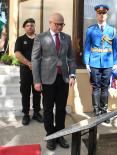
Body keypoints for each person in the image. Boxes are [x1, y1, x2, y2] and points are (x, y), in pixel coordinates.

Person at [31, 13, 76, 150]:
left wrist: (73, 74)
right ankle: (51, 135)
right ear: (50, 23)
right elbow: (36, 59)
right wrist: (37, 81)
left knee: (61, 109)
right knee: (48, 109)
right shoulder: (40, 37)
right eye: (57, 24)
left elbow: (71, 59)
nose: (60, 27)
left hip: (63, 79)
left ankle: (60, 135)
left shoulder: (67, 38)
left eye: (62, 24)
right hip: (47, 79)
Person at [83, 4, 117, 123]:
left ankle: (104, 111)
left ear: (107, 15)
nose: (101, 15)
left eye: (103, 13)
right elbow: (87, 47)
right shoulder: (91, 30)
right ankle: (96, 111)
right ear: (96, 14)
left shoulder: (112, 30)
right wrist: (87, 62)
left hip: (108, 63)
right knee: (95, 87)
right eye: (99, 13)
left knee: (105, 87)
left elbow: (115, 48)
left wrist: (115, 62)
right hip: (94, 62)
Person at [14, 18, 43, 125]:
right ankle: (26, 114)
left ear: (34, 27)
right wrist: (29, 63)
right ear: (24, 28)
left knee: (37, 92)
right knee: (25, 93)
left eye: (32, 25)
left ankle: (36, 113)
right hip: (25, 70)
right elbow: (17, 54)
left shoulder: (40, 38)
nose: (30, 27)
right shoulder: (20, 39)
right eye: (28, 25)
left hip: (38, 70)